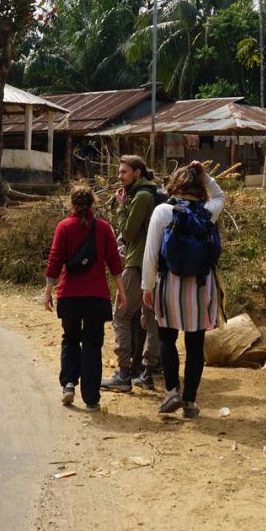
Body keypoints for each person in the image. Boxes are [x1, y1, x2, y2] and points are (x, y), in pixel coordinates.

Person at [141, 161, 225, 419]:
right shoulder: (209, 210)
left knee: (167, 337)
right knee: (195, 342)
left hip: (170, 284)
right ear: (199, 187)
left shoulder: (164, 211)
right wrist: (205, 175)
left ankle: (171, 392)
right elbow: (220, 195)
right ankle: (190, 402)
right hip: (201, 287)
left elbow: (151, 253)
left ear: (174, 185)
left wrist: (147, 285)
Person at [44, 184, 124, 411]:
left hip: (69, 295)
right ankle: (91, 398)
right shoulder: (104, 228)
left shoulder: (64, 227)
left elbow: (55, 260)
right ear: (93, 204)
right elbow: (114, 262)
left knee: (70, 338)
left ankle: (69, 384)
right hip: (96, 297)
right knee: (92, 345)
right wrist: (122, 290)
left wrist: (48, 291)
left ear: (71, 203)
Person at [103, 155, 163, 393]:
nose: (120, 176)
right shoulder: (150, 194)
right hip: (153, 264)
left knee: (121, 316)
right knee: (151, 319)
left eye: (124, 172)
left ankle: (124, 373)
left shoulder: (142, 197)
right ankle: (147, 371)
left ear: (138, 173)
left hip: (137, 263)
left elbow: (128, 233)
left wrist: (121, 208)